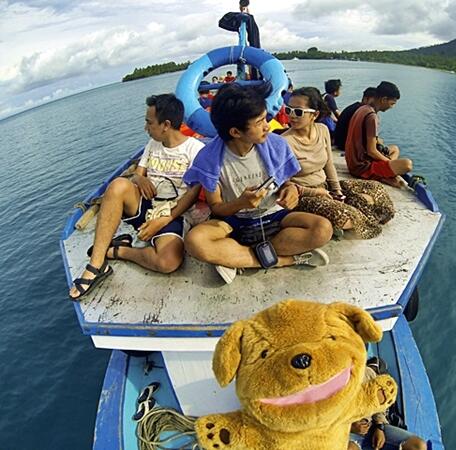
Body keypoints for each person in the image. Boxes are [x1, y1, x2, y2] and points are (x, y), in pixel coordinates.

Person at [183, 83, 333, 284]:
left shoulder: (276, 145)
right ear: (236, 132)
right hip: (234, 221)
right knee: (195, 241)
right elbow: (217, 208)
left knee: (323, 228)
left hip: (274, 214)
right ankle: (284, 260)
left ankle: (237, 257)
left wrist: (290, 190)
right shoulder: (210, 159)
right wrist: (240, 204)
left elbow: (286, 183)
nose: (267, 126)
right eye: (260, 121)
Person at [69, 94, 204, 299]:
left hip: (174, 213)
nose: (145, 128)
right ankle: (96, 265)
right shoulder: (152, 144)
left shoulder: (194, 150)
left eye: (149, 122)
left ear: (166, 124)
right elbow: (137, 174)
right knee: (117, 186)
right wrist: (138, 179)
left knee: (168, 262)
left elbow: (193, 194)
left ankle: (119, 251)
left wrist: (164, 220)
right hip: (149, 204)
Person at [282, 87, 392, 239]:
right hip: (304, 196)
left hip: (325, 186)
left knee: (375, 188)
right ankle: (349, 216)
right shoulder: (284, 142)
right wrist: (316, 193)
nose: (292, 116)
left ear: (315, 114)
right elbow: (284, 184)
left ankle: (353, 213)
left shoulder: (322, 130)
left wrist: (337, 191)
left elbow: (328, 164)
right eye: (288, 110)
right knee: (345, 215)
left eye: (298, 112)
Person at [347, 359, 428, 450]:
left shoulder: (369, 375)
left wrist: (379, 427)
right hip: (348, 432)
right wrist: (350, 426)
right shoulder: (343, 382)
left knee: (419, 446)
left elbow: (380, 407)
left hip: (373, 426)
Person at [345, 81, 413, 189]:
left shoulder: (363, 108)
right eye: (392, 103)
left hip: (353, 161)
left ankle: (387, 173)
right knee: (407, 164)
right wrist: (391, 162)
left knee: (394, 149)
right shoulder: (371, 117)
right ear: (384, 99)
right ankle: (384, 175)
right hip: (361, 167)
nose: (392, 107)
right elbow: (372, 151)